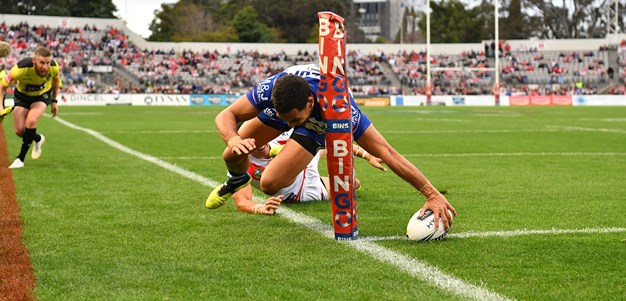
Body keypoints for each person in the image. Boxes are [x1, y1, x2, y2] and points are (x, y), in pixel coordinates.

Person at [207, 64, 456, 229]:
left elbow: (387, 152)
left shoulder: (339, 109)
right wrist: (234, 139)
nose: (290, 126)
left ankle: (312, 151)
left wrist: (432, 194)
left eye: (294, 121)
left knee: (271, 184)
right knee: (234, 149)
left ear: (310, 101)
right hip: (292, 106)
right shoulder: (273, 89)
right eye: (287, 121)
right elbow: (226, 115)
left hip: (318, 123)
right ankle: (238, 180)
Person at [224, 129, 387, 215]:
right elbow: (242, 202)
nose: (258, 142)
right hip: (302, 190)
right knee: (351, 185)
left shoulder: (278, 137)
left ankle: (345, 174)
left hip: (302, 159)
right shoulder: (240, 166)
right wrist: (260, 208)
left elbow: (330, 143)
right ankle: (343, 180)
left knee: (323, 142)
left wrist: (367, 155)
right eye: (251, 142)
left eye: (259, 136)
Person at [0, 46, 60, 169]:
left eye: (47, 62)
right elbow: (2, 87)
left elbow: (56, 81)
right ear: (34, 60)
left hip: (41, 96)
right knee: (20, 131)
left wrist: (54, 101)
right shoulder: (20, 69)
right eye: (42, 63)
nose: (45, 66)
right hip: (21, 97)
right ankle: (38, 138)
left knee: (31, 121)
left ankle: (20, 159)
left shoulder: (54, 67)